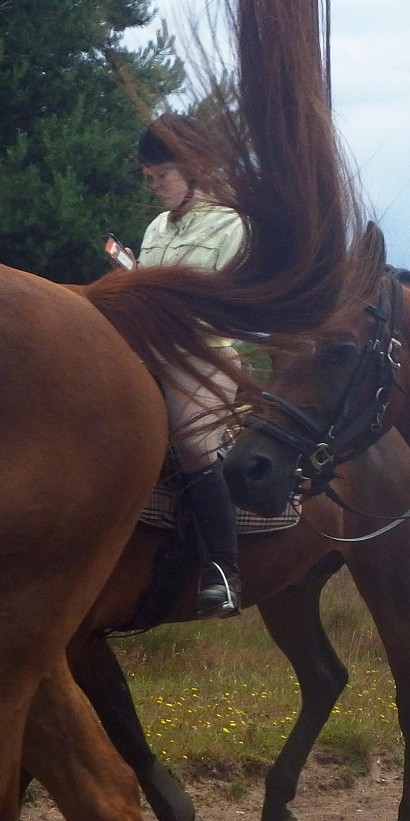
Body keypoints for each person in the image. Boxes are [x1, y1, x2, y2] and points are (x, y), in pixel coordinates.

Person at [136, 112, 247, 617]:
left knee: (192, 438)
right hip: (148, 349)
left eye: (164, 176)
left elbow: (227, 303)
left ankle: (223, 571)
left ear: (195, 168)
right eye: (151, 178)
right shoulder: (156, 228)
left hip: (205, 356)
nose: (156, 186)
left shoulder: (232, 225)